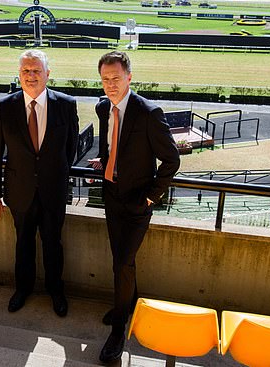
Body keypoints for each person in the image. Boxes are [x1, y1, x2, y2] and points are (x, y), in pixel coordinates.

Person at [94, 51, 180, 363]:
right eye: (105, 79)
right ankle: (128, 304)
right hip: (111, 196)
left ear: (129, 77)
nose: (110, 85)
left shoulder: (149, 112)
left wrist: (150, 197)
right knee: (123, 261)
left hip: (137, 203)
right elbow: (111, 145)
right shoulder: (103, 107)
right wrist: (105, 162)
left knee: (121, 263)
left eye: (116, 78)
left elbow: (172, 160)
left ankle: (119, 328)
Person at [0, 49, 79, 317]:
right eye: (26, 71)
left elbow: (70, 148)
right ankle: (22, 289)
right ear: (19, 74)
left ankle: (56, 292)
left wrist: (55, 173)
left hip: (53, 191)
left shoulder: (66, 104)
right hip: (19, 192)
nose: (31, 75)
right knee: (23, 243)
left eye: (37, 70)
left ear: (48, 74)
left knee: (53, 244)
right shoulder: (5, 106)